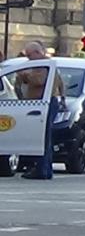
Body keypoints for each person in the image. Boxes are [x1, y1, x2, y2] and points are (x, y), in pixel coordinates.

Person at [15, 41, 63, 180]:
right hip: (44, 102)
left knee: (43, 138)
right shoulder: (46, 64)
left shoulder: (42, 65)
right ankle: (44, 169)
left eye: (30, 55)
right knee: (43, 138)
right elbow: (60, 82)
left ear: (37, 53)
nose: (28, 58)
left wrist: (24, 74)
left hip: (44, 103)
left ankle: (42, 169)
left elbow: (39, 81)